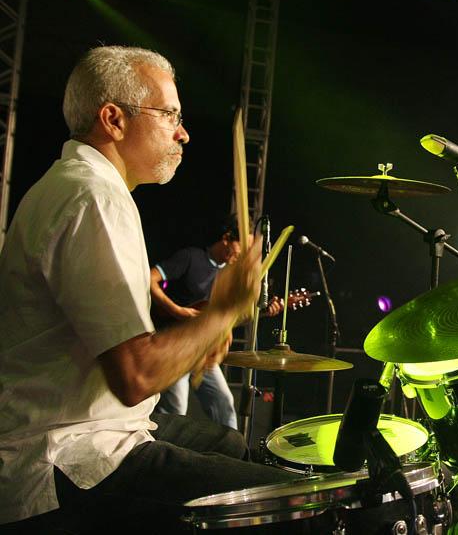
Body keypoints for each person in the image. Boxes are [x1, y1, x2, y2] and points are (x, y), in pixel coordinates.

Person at [0, 46, 295, 534]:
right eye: (170, 115)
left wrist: (204, 331)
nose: (183, 132)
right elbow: (135, 375)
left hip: (95, 425)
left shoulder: (77, 184)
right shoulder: (93, 198)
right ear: (114, 120)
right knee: (286, 504)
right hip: (66, 453)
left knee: (231, 444)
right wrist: (221, 313)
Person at [150, 218, 283, 429]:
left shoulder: (230, 276)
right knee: (176, 410)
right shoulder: (191, 257)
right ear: (227, 238)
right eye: (242, 246)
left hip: (203, 351)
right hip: (175, 347)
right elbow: (150, 278)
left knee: (225, 405)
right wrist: (177, 310)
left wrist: (264, 311)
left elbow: (228, 317)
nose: (243, 254)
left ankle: (231, 449)